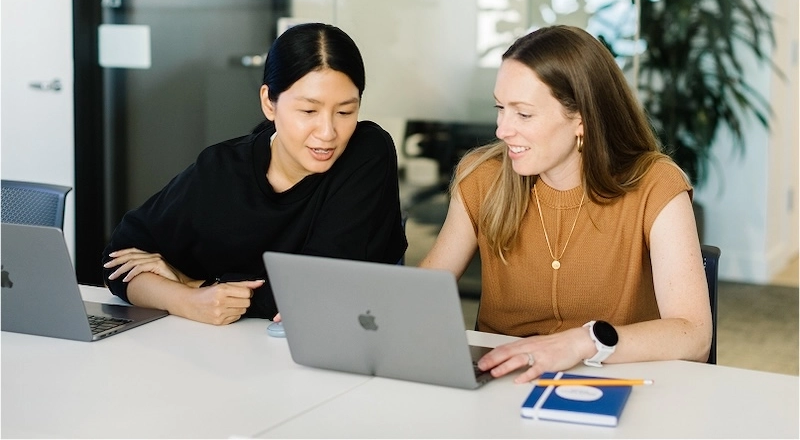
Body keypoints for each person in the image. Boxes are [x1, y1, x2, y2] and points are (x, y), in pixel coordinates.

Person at [420, 25, 712, 383]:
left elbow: (694, 335)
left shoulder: (655, 184)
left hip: (616, 380)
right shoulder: (483, 177)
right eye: (501, 108)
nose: (502, 129)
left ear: (581, 120)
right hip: (505, 381)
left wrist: (583, 342)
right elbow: (422, 293)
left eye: (523, 114)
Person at [102, 22, 407, 325]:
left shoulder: (366, 152)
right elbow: (118, 260)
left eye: (344, 112)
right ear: (268, 103)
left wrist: (200, 284)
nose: (328, 132)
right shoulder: (222, 169)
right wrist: (188, 300)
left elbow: (316, 290)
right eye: (308, 111)